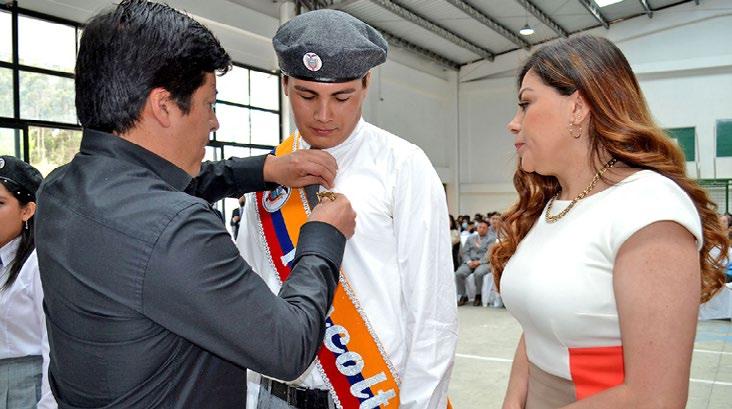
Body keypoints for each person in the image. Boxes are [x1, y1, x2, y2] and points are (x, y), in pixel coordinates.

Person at [34, 1, 356, 408]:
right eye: (209, 104)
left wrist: (265, 170)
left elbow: (170, 186)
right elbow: (288, 347)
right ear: (164, 106)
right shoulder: (176, 228)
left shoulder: (59, 189)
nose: (214, 122)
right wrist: (323, 237)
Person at [491, 35, 727, 409]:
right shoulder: (556, 203)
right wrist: (513, 400)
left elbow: (656, 399)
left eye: (526, 103)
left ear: (577, 107)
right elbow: (536, 329)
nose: (513, 123)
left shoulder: (649, 207)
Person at [236, 9, 457, 409]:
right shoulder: (269, 173)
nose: (323, 115)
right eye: (307, 95)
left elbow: (432, 313)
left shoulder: (402, 165)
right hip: (276, 396)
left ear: (367, 84)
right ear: (285, 85)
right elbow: (249, 297)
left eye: (342, 97)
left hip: (370, 395)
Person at [0, 156, 56, 408]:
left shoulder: (37, 264)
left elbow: (52, 346)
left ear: (27, 210)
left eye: (0, 203)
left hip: (25, 390)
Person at [455, 220, 493, 306]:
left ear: (487, 229)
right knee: (458, 273)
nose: (481, 229)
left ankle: (478, 295)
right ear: (477, 228)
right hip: (470, 262)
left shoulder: (491, 239)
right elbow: (465, 252)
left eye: (484, 228)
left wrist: (479, 262)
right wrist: (469, 261)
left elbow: (489, 254)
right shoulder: (470, 238)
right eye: (480, 227)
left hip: (484, 263)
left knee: (478, 273)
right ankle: (463, 295)